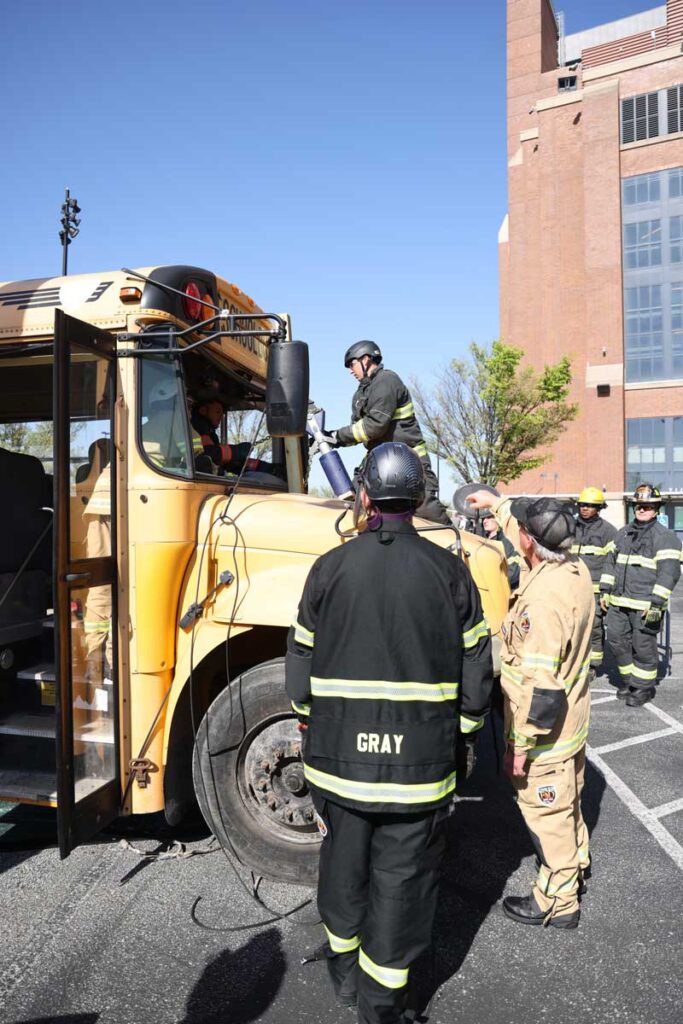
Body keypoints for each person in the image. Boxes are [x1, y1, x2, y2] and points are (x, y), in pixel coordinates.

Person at [286, 442, 493, 1024]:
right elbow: (477, 669)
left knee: (343, 872)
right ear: (420, 497)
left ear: (365, 496)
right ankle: (381, 1008)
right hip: (420, 772)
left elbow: (300, 661)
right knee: (401, 890)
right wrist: (466, 733)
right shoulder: (451, 571)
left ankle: (344, 982)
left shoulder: (329, 566)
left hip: (336, 768)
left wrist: (308, 716)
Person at [467, 490, 594, 929]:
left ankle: (559, 902)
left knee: (548, 815)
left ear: (528, 542)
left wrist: (519, 749)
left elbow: (541, 692)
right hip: (572, 726)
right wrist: (497, 504)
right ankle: (576, 862)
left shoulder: (542, 605)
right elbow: (525, 537)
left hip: (546, 736)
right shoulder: (572, 570)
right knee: (570, 803)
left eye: (519, 528)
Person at [326, 341, 451, 525]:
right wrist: (332, 438)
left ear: (366, 359)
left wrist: (337, 436)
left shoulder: (386, 381)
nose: (350, 371)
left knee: (424, 511)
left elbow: (375, 426)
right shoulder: (361, 393)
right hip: (382, 461)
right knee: (354, 503)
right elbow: (360, 430)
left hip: (408, 462)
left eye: (352, 364)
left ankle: (457, 546)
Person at [600, 483, 682, 707]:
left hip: (646, 605)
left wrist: (656, 603)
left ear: (657, 509)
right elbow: (610, 563)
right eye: (638, 505)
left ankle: (643, 689)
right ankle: (629, 681)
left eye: (647, 506)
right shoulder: (623, 533)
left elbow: (669, 573)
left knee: (643, 646)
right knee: (616, 641)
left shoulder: (666, 537)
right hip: (617, 603)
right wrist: (605, 591)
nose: (642, 509)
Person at [571, 487, 617, 680]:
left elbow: (611, 563)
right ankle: (572, 661)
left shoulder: (608, 531)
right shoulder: (569, 526)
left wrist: (606, 591)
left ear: (599, 508)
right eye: (583, 505)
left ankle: (592, 665)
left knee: (594, 627)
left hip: (594, 590)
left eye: (590, 505)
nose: (585, 508)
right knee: (571, 626)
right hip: (570, 587)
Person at [479, 510, 522, 590]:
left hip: (502, 590)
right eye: (483, 518)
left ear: (498, 519)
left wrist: (494, 584)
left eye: (489, 517)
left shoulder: (507, 541)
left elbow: (513, 571)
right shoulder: (482, 539)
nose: (485, 521)